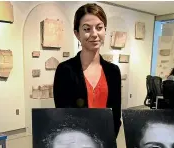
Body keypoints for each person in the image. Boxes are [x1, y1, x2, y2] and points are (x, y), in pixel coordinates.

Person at [52, 3, 122, 137]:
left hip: (105, 143)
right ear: (77, 34)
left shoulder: (113, 71)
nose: (94, 34)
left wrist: (108, 142)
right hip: (76, 145)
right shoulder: (65, 70)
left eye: (99, 28)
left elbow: (115, 115)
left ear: (105, 30)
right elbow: (63, 116)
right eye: (87, 29)